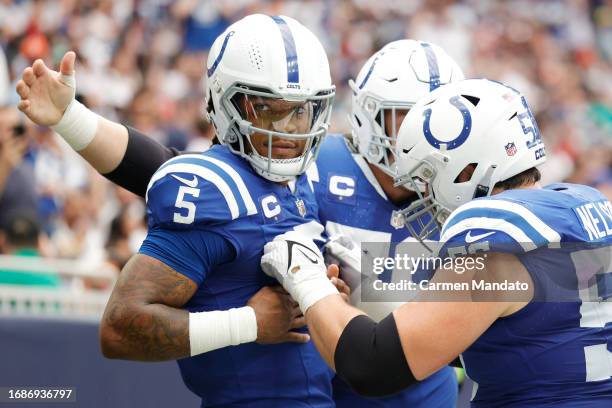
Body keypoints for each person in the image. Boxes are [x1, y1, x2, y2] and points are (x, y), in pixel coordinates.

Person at [17, 36, 465, 406]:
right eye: (406, 117)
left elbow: (512, 296)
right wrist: (71, 119)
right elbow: (160, 167)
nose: (421, 135)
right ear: (369, 113)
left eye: (439, 122)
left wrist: (355, 296)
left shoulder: (471, 187)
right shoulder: (316, 164)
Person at [16, 14, 341, 406]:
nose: (290, 128)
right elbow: (118, 330)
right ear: (227, 101)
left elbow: (151, 161)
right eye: (270, 109)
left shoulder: (319, 175)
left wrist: (330, 300)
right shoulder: (211, 190)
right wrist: (249, 323)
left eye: (302, 110)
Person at [260, 79, 612, 407]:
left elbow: (371, 365)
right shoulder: (583, 208)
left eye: (427, 177)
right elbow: (532, 327)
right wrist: (373, 292)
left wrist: (306, 277)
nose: (423, 194)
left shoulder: (494, 241)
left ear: (466, 170)